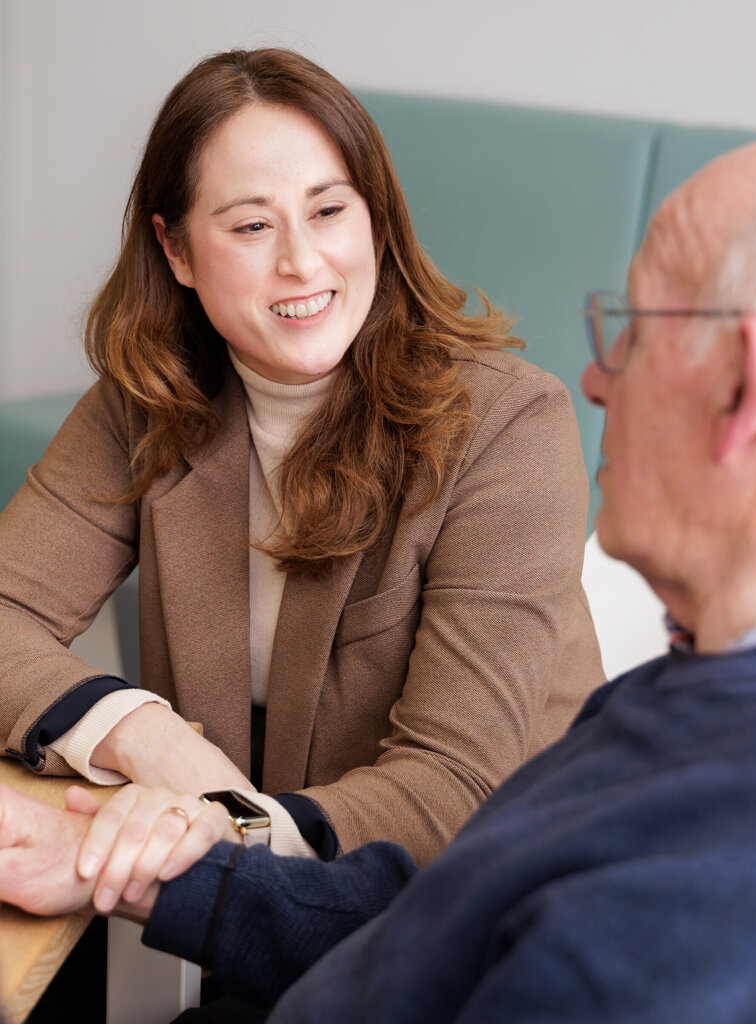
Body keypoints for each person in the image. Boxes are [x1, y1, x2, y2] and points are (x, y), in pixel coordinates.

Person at [5, 133, 756, 1022]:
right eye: (250, 224)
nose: (597, 378)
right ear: (176, 251)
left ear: (745, 390)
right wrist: (165, 875)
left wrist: (197, 841)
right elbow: (460, 912)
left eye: (632, 331)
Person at [0, 47, 604, 877]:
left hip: (485, 902)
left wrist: (227, 829)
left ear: (375, 220)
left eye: (328, 210)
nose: (302, 261)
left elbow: (454, 786)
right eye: (252, 226)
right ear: (176, 251)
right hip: (244, 891)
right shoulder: (148, 400)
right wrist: (141, 732)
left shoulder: (509, 423)